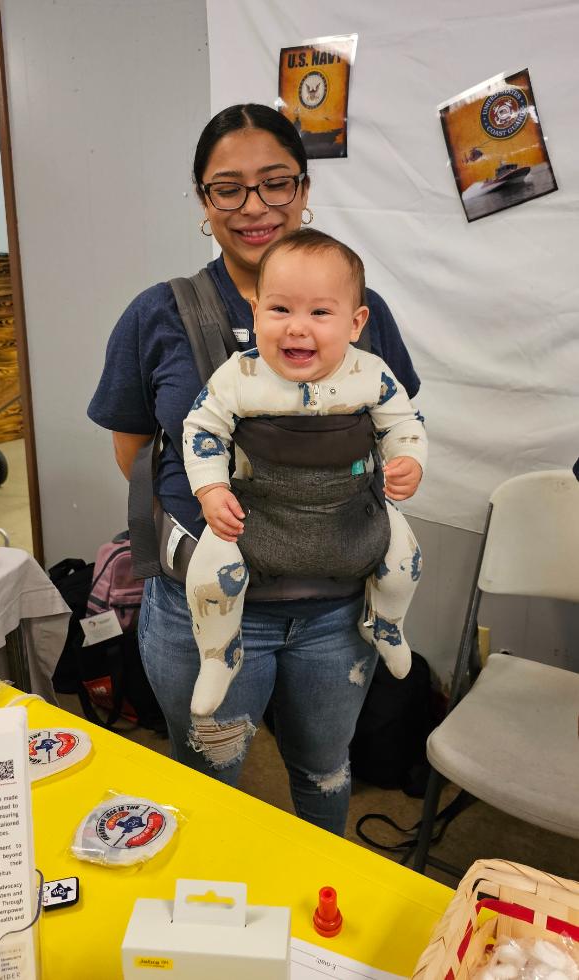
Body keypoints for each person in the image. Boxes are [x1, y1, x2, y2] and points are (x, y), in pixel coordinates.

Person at [88, 103, 421, 836]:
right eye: (227, 189)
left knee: (325, 769)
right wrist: (214, 497)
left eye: (275, 183)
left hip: (337, 611)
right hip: (203, 604)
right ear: (204, 203)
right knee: (209, 778)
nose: (254, 207)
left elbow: (394, 423)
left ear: (304, 188)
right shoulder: (159, 314)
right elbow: (136, 452)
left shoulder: (363, 308)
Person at [183, 229, 426, 716]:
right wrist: (210, 490)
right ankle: (219, 653)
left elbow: (404, 422)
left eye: (319, 312)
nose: (297, 328)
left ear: (355, 323)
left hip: (352, 510)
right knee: (209, 573)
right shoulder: (238, 375)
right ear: (255, 313)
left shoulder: (371, 373)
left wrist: (409, 461)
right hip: (258, 510)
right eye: (280, 310)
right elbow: (201, 430)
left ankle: (386, 623)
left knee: (404, 560)